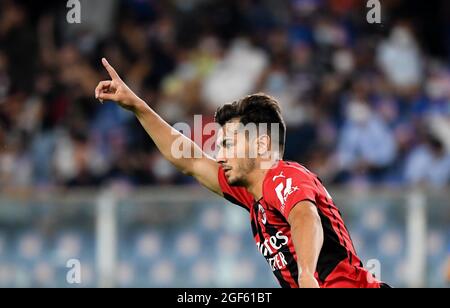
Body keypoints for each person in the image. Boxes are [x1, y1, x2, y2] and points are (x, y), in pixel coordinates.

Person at [95, 58, 388, 288]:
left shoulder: (282, 176)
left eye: (229, 144)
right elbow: (191, 162)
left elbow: (304, 216)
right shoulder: (254, 196)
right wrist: (138, 106)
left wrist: (307, 277)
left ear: (262, 144)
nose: (220, 155)